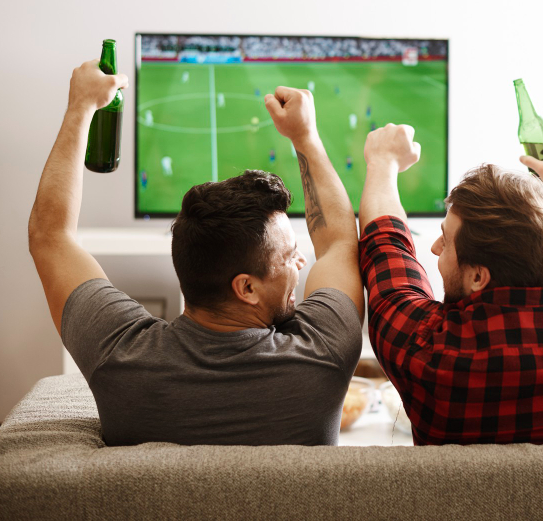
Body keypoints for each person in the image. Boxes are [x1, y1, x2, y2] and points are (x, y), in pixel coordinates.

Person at [28, 67, 364, 447]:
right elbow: (339, 243)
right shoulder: (325, 353)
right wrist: (305, 137)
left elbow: (50, 237)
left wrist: (80, 108)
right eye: (289, 256)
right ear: (246, 287)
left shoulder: (117, 354)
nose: (301, 262)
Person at [357, 125, 543, 445]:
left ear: (478, 276)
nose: (435, 248)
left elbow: (386, 245)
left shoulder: (426, 350)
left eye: (446, 240)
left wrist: (383, 161)